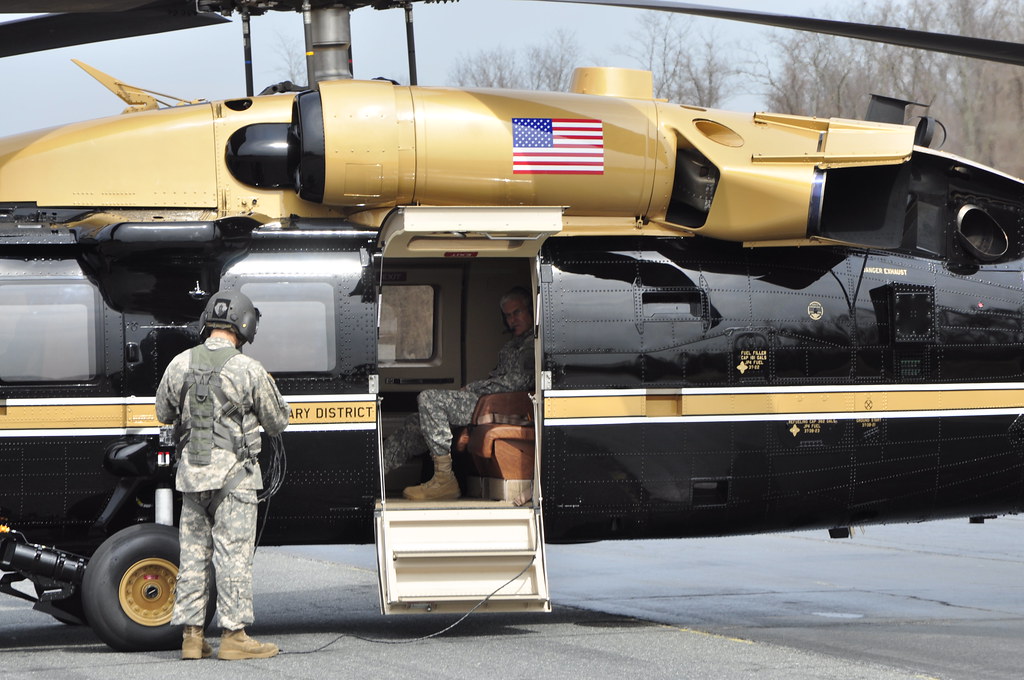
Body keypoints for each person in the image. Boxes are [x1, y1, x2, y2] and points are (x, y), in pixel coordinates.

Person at [155, 290, 290, 661]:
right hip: (235, 480)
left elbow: (163, 412)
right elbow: (277, 423)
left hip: (192, 478)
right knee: (233, 556)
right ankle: (234, 636)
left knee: (194, 557)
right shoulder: (249, 370)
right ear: (244, 327)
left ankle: (192, 637)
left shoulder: (179, 364)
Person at [383, 286, 535, 501]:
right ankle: (375, 471)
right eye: (508, 316)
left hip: (500, 406)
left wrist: (473, 388)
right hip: (489, 401)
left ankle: (444, 480)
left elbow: (518, 382)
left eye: (517, 312)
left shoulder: (532, 345)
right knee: (415, 422)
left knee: (429, 398)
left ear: (530, 311)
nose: (512, 320)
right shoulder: (513, 345)